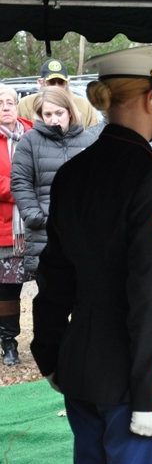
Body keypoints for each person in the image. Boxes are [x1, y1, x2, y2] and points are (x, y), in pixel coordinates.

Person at [30, 43, 152, 464]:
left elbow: (54, 274)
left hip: (83, 367)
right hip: (137, 379)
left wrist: (50, 352)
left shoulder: (74, 172)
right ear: (150, 98)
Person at [11, 86, 96, 278]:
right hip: (45, 233)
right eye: (47, 114)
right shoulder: (29, 141)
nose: (54, 120)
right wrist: (35, 217)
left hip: (82, 234)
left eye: (59, 113)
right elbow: (20, 182)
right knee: (50, 293)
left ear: (69, 112)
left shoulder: (90, 141)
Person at [0, 84, 33, 366]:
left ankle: (52, 339)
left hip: (37, 227)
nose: (5, 107)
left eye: (10, 102)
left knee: (52, 284)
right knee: (7, 291)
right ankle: (8, 342)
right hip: (6, 229)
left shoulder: (33, 133)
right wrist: (25, 187)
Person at [17, 58, 99, 129]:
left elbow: (94, 135)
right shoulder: (26, 105)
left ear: (68, 82)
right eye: (51, 82)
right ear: (40, 82)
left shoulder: (85, 106)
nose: (56, 87)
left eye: (61, 82)